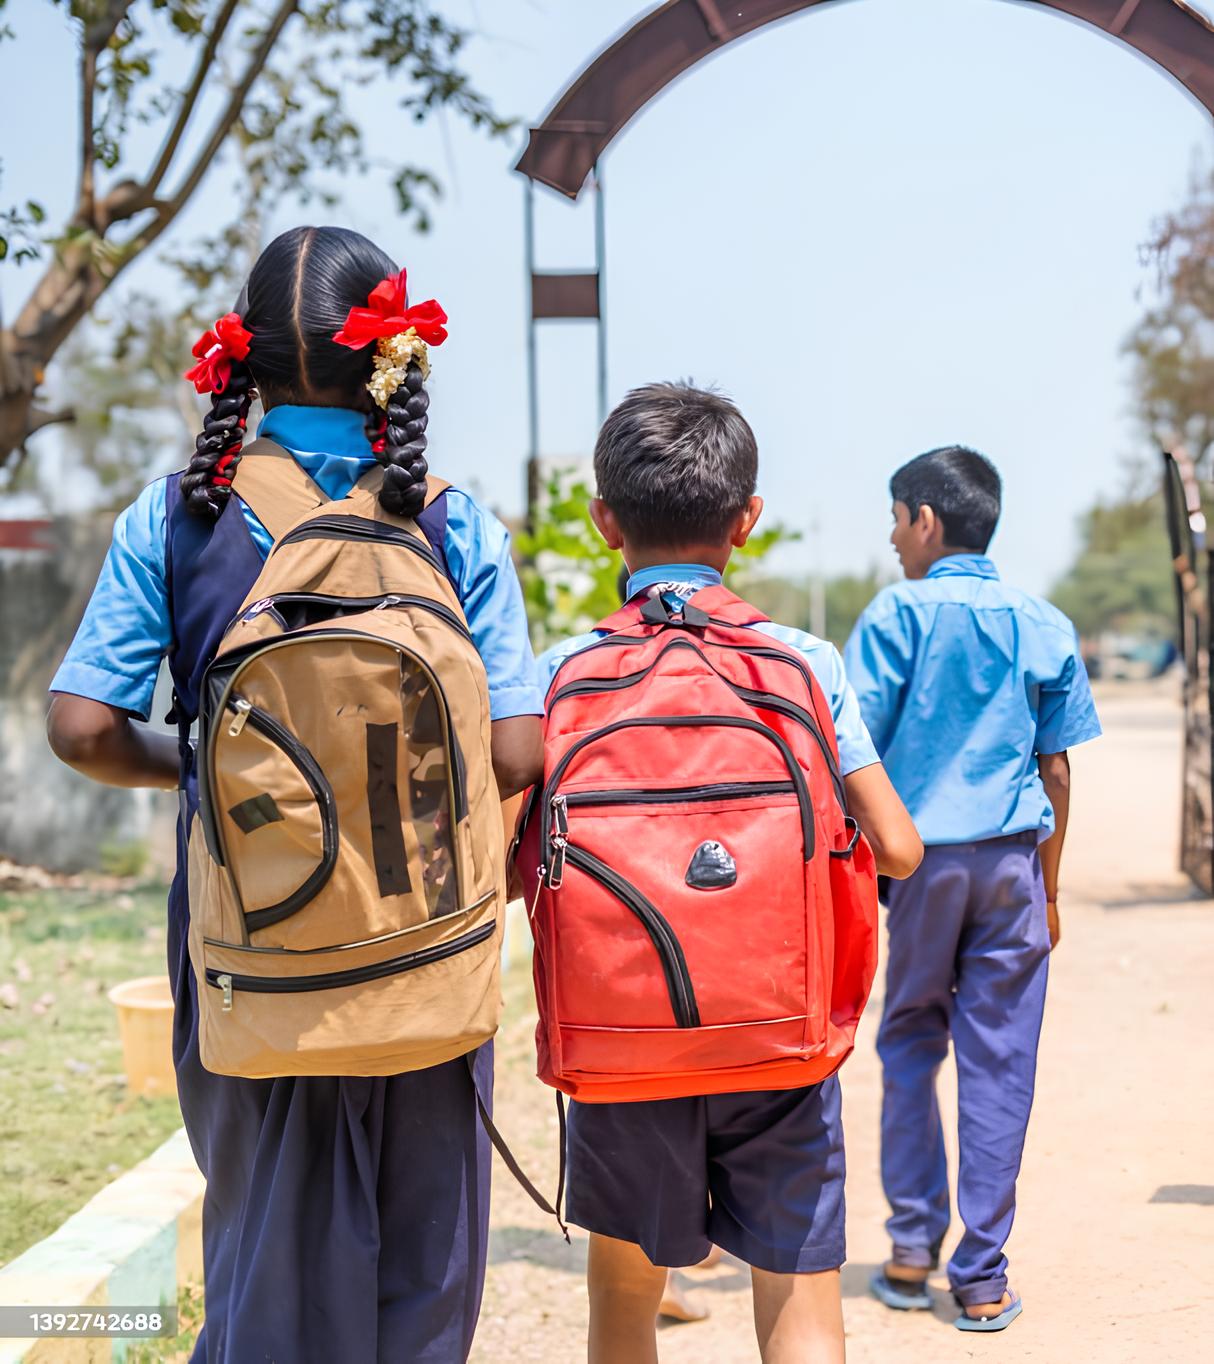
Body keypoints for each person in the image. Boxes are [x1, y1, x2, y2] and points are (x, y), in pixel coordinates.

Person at [46, 226, 544, 1363]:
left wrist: (211, 765)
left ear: (245, 360)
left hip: (244, 941)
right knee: (422, 1268)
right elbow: (517, 753)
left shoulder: (175, 513)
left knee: (263, 1252)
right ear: (394, 360)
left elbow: (81, 726)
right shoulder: (449, 519)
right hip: (422, 939)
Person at [536, 382, 923, 1364]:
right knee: (798, 1298)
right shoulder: (803, 662)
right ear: (745, 521)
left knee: (624, 1305)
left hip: (619, 1047)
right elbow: (900, 847)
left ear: (602, 522)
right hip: (779, 1037)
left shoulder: (559, 672)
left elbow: (509, 866)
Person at [844, 446, 1101, 1333]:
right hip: (1013, 868)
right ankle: (982, 1278)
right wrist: (1051, 890)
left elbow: (852, 753)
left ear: (928, 520)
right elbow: (1058, 771)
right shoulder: (1043, 622)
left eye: (896, 517)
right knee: (1001, 1060)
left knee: (911, 1043)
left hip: (919, 869)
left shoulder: (894, 616)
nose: (891, 537)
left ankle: (912, 1253)